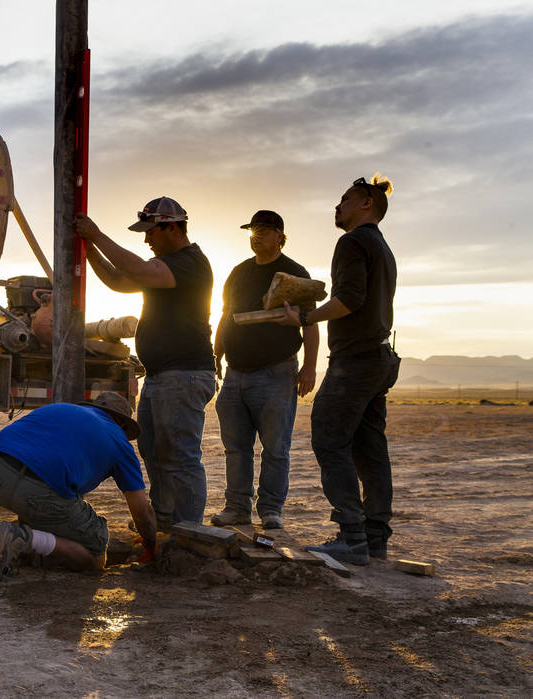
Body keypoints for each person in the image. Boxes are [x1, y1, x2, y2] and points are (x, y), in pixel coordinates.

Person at [280, 174, 400, 565]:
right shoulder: (381, 246)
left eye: (345, 198)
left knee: (330, 441)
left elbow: (348, 299)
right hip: (380, 358)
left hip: (356, 361)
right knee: (370, 449)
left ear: (366, 204)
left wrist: (304, 317)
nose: (338, 205)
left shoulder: (352, 241)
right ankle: (375, 537)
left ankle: (351, 536)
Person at [76, 197, 216, 529]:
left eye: (150, 231)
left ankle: (188, 530)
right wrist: (88, 248)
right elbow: (116, 278)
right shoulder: (164, 268)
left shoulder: (189, 263)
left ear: (171, 227)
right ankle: (166, 519)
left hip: (183, 375)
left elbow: (136, 269)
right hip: (161, 376)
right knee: (155, 454)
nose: (146, 239)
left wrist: (95, 235)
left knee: (180, 457)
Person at [0, 393, 157, 578]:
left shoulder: (58, 409)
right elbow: (141, 513)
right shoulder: (120, 442)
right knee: (95, 558)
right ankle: (25, 538)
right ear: (122, 424)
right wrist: (151, 544)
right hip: (40, 494)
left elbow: (14, 447)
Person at [210, 210, 319, 530]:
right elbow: (225, 314)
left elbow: (310, 324)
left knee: (275, 448)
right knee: (236, 448)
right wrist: (216, 354)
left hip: (277, 373)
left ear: (280, 237)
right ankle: (237, 508)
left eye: (264, 230)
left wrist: (310, 369)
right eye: (252, 230)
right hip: (235, 373)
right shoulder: (238, 272)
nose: (256, 236)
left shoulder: (294, 274)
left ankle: (271, 510)